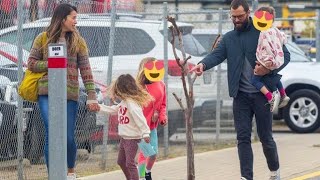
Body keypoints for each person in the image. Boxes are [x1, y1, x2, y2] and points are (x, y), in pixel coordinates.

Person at [189, 0, 290, 179]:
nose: (236, 20)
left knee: (265, 138)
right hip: (240, 96)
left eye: (240, 16)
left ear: (248, 13)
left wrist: (268, 69)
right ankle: (246, 177)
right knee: (243, 138)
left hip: (262, 95)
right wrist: (202, 64)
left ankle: (274, 171)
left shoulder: (262, 31)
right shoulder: (229, 38)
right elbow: (217, 55)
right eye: (233, 17)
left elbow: (285, 56)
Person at [27, 3, 100, 179]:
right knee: (51, 131)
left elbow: (86, 69)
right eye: (73, 17)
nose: (76, 21)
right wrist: (53, 63)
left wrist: (91, 96)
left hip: (70, 95)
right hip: (47, 94)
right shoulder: (42, 39)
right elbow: (31, 63)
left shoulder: (78, 41)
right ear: (63, 19)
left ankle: (70, 171)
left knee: (67, 136)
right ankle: (53, 174)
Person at [98, 74, 152, 180]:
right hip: (124, 138)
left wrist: (145, 133)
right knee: (121, 162)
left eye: (117, 90)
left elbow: (140, 118)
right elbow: (113, 110)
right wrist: (99, 107)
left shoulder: (132, 104)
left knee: (129, 163)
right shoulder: (124, 102)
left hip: (132, 138)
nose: (116, 93)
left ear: (123, 89)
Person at [252, 6, 290, 112]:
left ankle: (270, 97)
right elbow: (283, 39)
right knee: (274, 76)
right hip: (276, 59)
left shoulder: (263, 32)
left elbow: (265, 46)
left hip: (267, 60)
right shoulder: (275, 30)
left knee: (255, 80)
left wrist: (265, 61)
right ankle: (283, 94)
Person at [136, 57, 167, 180]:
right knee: (144, 154)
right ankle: (142, 177)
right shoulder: (138, 87)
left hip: (152, 127)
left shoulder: (161, 84)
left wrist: (161, 116)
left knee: (154, 155)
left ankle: (147, 172)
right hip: (141, 128)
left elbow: (163, 104)